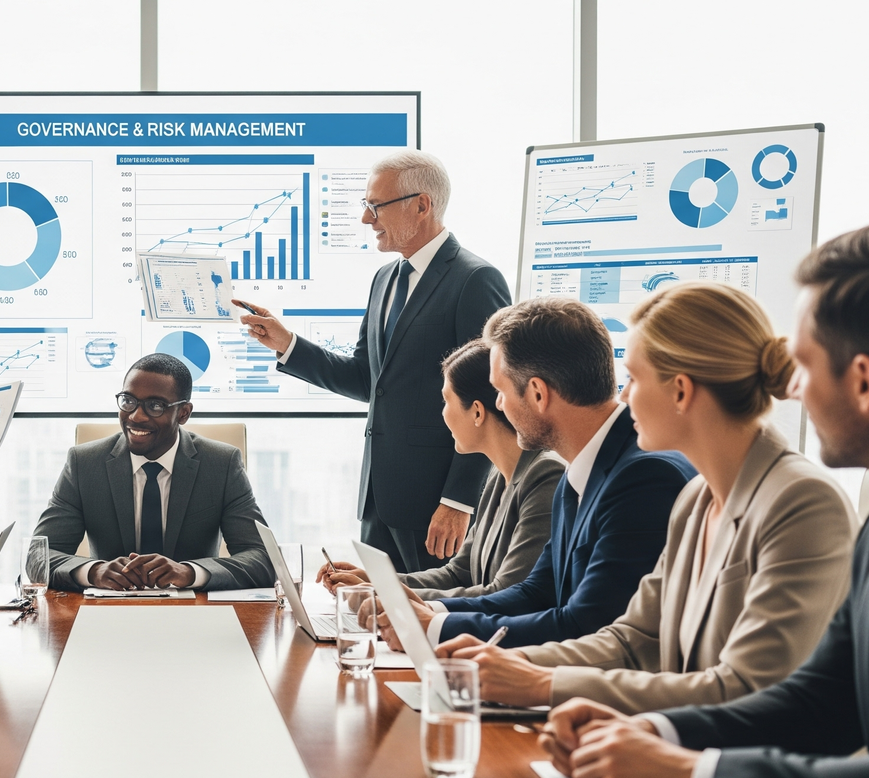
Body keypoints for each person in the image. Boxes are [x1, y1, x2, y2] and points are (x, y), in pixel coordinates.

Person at [538, 220, 869, 778]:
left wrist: (691, 776)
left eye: (804, 364)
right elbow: (824, 699)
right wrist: (653, 729)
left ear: (863, 380)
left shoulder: (812, 502)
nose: (791, 387)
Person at [437, 283, 857, 713]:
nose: (621, 396)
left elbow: (746, 688)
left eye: (634, 379)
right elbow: (633, 637)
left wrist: (542, 685)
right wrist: (518, 666)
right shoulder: (696, 500)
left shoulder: (802, 501)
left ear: (680, 390)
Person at [237, 149, 510, 573]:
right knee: (377, 616)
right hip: (379, 501)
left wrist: (459, 501)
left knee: (430, 623)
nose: (367, 219)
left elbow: (490, 399)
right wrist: (287, 343)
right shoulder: (385, 278)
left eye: (375, 206)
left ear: (422, 205)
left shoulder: (475, 280)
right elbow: (369, 380)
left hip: (436, 504)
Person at [380, 297, 696, 649]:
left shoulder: (644, 478)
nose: (498, 404)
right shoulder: (580, 471)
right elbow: (535, 592)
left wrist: (436, 627)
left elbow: (586, 623)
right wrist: (430, 612)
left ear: (537, 393)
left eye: (500, 391)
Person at [317, 339, 564, 599]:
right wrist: (376, 581)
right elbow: (458, 574)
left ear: (477, 413)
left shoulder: (545, 476)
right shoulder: (499, 476)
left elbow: (506, 593)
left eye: (446, 401)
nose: (443, 414)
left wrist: (387, 595)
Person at [35, 353, 275, 592]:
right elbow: (38, 557)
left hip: (193, 614)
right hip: (108, 610)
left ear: (183, 413)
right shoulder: (84, 463)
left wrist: (190, 572)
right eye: (128, 401)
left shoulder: (221, 464)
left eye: (155, 406)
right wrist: (93, 571)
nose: (136, 416)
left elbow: (262, 559)